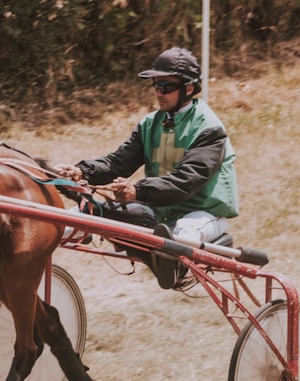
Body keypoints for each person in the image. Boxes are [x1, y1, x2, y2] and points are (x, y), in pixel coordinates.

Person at [58, 47, 238, 288]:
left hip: (203, 213)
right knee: (89, 211)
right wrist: (83, 172)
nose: (158, 93)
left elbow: (186, 181)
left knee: (184, 232)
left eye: (166, 87)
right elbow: (117, 163)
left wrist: (138, 192)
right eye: (156, 86)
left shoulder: (209, 129)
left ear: (189, 88)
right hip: (161, 214)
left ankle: (178, 271)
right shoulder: (150, 124)